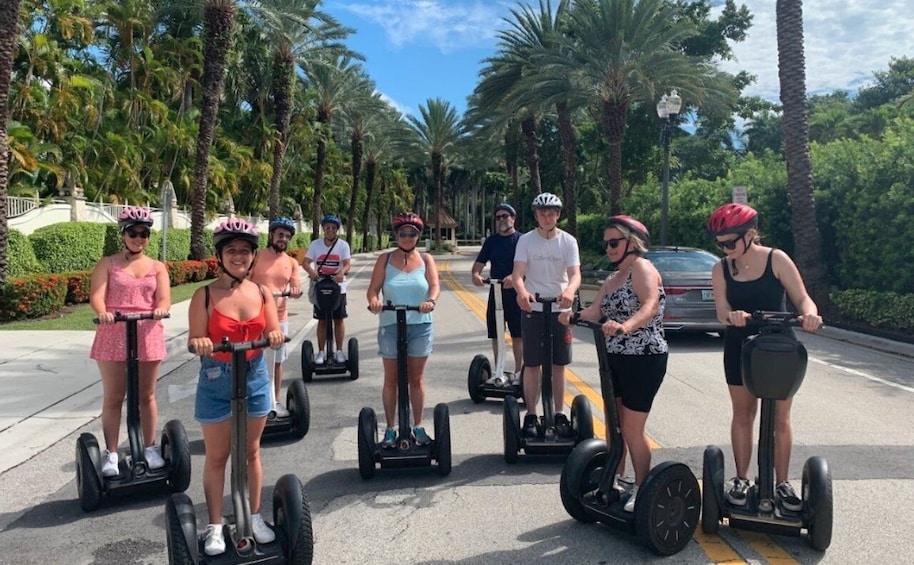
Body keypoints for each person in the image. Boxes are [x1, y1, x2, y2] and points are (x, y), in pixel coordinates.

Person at [707, 203, 823, 514]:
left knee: (781, 419)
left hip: (778, 346)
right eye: (721, 243)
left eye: (731, 242)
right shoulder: (720, 268)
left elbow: (802, 298)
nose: (726, 248)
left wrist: (809, 315)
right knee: (743, 415)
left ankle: (782, 483)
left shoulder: (777, 259)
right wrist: (731, 316)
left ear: (750, 235)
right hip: (739, 346)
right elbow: (720, 308)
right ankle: (742, 479)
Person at [187, 218, 285, 556]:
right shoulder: (203, 296)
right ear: (220, 255)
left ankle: (254, 516)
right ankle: (215, 525)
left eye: (245, 250)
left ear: (253, 255)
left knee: (252, 451)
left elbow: (273, 330)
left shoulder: (261, 292)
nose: (239, 256)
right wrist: (201, 342)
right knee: (218, 456)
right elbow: (196, 336)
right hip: (217, 376)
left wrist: (274, 336)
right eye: (232, 250)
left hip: (256, 373)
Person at [558, 215, 667, 513]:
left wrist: (627, 326)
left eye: (614, 242)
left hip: (645, 357)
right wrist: (573, 315)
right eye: (606, 243)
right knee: (614, 425)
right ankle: (615, 481)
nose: (608, 248)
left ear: (632, 242)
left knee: (631, 428)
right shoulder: (612, 278)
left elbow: (650, 304)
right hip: (614, 357)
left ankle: (643, 488)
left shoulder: (641, 268)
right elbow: (595, 310)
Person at [89, 207, 170, 478]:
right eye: (133, 233)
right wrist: (103, 313)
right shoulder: (107, 264)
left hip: (147, 331)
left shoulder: (158, 267)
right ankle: (111, 453)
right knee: (114, 397)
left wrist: (160, 309)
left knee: (146, 396)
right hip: (114, 331)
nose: (139, 238)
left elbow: (164, 299)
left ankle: (149, 447)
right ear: (123, 234)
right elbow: (97, 297)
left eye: (144, 234)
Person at [366, 212, 440, 449]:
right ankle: (390, 429)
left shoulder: (426, 260)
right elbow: (372, 290)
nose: (407, 237)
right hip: (390, 324)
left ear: (418, 236)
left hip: (420, 324)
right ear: (396, 235)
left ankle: (418, 426)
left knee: (415, 379)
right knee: (391, 379)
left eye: (412, 233)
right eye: (403, 233)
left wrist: (430, 300)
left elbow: (435, 286)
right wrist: (375, 302)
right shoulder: (385, 260)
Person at [511, 193, 581, 439]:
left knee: (558, 365)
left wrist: (570, 291)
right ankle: (531, 414)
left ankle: (559, 413)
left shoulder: (568, 241)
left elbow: (575, 274)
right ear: (536, 215)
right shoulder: (526, 241)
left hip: (560, 310)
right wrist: (522, 292)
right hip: (534, 308)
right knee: (532, 364)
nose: (547, 217)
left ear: (558, 215)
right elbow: (518, 273)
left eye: (552, 213)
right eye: (542, 213)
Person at [250, 217, 303, 417]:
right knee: (253, 360)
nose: (283, 239)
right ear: (271, 234)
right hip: (255, 317)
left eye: (287, 236)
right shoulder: (256, 256)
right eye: (280, 234)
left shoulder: (291, 262)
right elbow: (244, 281)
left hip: (280, 318)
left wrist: (296, 290)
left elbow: (295, 284)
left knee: (277, 362)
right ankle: (254, 401)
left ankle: (275, 400)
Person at [471, 202, 524, 384]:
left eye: (505, 216)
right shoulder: (491, 242)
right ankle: (498, 371)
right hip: (496, 291)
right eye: (498, 217)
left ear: (513, 218)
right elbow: (478, 265)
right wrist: (476, 275)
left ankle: (519, 372)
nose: (501, 220)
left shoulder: (522, 240)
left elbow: (528, 267)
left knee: (518, 333)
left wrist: (514, 276)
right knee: (496, 333)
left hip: (517, 293)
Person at [303, 214, 352, 365]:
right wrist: (313, 273)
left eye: (333, 228)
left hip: (338, 289)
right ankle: (321, 352)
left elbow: (347, 264)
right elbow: (305, 263)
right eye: (327, 228)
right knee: (322, 321)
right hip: (321, 288)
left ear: (337, 230)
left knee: (338, 319)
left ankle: (339, 351)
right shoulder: (315, 245)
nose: (330, 230)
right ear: (323, 229)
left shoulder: (343, 245)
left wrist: (341, 273)